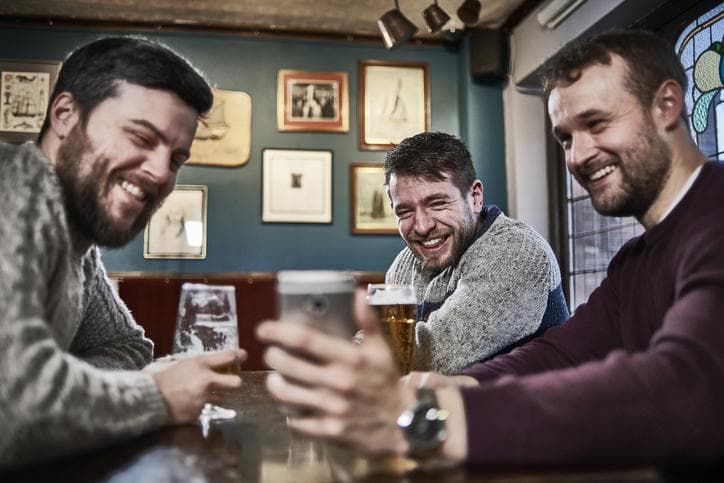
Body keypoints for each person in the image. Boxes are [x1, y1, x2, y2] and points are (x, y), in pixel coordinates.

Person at [256, 29, 724, 468]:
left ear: (666, 105)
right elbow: (563, 354)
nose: (577, 156)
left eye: (596, 123)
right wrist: (453, 386)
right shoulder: (636, 259)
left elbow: (690, 388)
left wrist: (434, 417)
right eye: (565, 137)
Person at [0, 37, 246, 468]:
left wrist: (68, 381)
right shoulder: (15, 183)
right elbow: (17, 400)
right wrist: (158, 395)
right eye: (140, 136)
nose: (160, 172)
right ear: (64, 115)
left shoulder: (78, 241)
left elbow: (129, 348)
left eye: (176, 158)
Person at [381, 131, 568, 374]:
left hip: (528, 408)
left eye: (437, 204)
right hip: (446, 408)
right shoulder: (405, 263)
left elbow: (429, 357)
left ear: (475, 197)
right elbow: (384, 338)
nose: (422, 226)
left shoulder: (515, 251)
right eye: (405, 212)